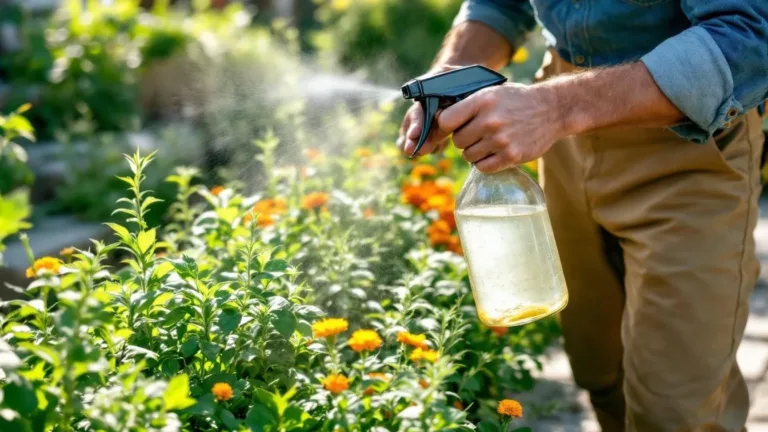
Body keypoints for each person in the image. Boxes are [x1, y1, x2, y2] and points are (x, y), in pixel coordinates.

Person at [397, 1, 768, 430]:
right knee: (601, 372)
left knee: (678, 411)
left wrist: (556, 109)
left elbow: (751, 36)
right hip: (561, 143)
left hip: (689, 146)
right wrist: (456, 68)